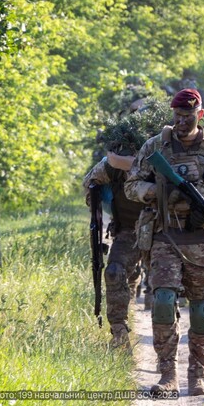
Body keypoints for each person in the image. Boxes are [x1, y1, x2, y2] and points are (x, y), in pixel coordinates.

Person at [124, 88, 204, 396]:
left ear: (200, 115)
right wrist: (157, 191)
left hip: (203, 237)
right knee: (163, 302)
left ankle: (197, 373)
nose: (181, 122)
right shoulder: (155, 147)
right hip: (165, 234)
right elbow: (131, 185)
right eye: (177, 116)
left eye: (188, 116)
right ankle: (168, 374)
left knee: (202, 310)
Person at [83, 151, 144, 352]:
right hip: (129, 230)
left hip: (165, 231)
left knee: (166, 289)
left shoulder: (161, 160)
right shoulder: (112, 167)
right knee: (114, 272)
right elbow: (89, 182)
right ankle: (120, 334)